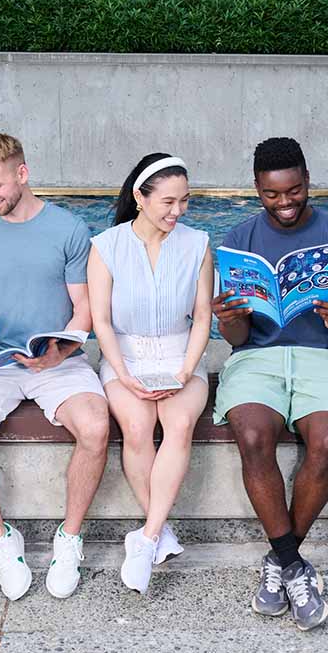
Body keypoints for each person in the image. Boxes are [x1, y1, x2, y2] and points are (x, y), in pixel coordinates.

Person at [210, 137, 328, 631]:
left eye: (294, 191)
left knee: (327, 440)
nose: (284, 203)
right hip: (256, 356)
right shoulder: (239, 239)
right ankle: (294, 564)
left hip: (322, 355)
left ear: (307, 181)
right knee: (254, 436)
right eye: (271, 195)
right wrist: (228, 319)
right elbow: (238, 339)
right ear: (257, 189)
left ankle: (282, 559)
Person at [0, 133, 110, 601]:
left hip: (58, 359)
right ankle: (2, 541)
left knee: (96, 428)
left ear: (22, 173)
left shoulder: (69, 229)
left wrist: (61, 347)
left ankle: (69, 539)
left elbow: (84, 309)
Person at [88, 153, 213, 594]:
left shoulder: (198, 244)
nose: (177, 211)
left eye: (184, 201)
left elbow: (202, 318)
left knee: (178, 424)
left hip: (181, 358)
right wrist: (122, 375)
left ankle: (145, 538)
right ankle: (160, 533)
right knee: (137, 426)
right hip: (126, 359)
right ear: (140, 198)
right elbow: (100, 321)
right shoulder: (106, 245)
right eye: (167, 202)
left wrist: (184, 371)